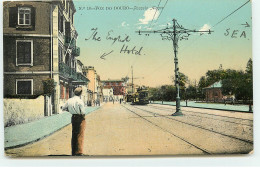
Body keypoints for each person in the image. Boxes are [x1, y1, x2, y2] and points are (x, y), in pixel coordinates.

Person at [62, 87, 86, 156]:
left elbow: (63, 108)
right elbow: (83, 111)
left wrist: (70, 110)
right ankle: (79, 152)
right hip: (80, 117)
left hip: (73, 117)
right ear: (80, 93)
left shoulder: (69, 100)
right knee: (80, 134)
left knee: (74, 134)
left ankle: (73, 152)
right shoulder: (80, 101)